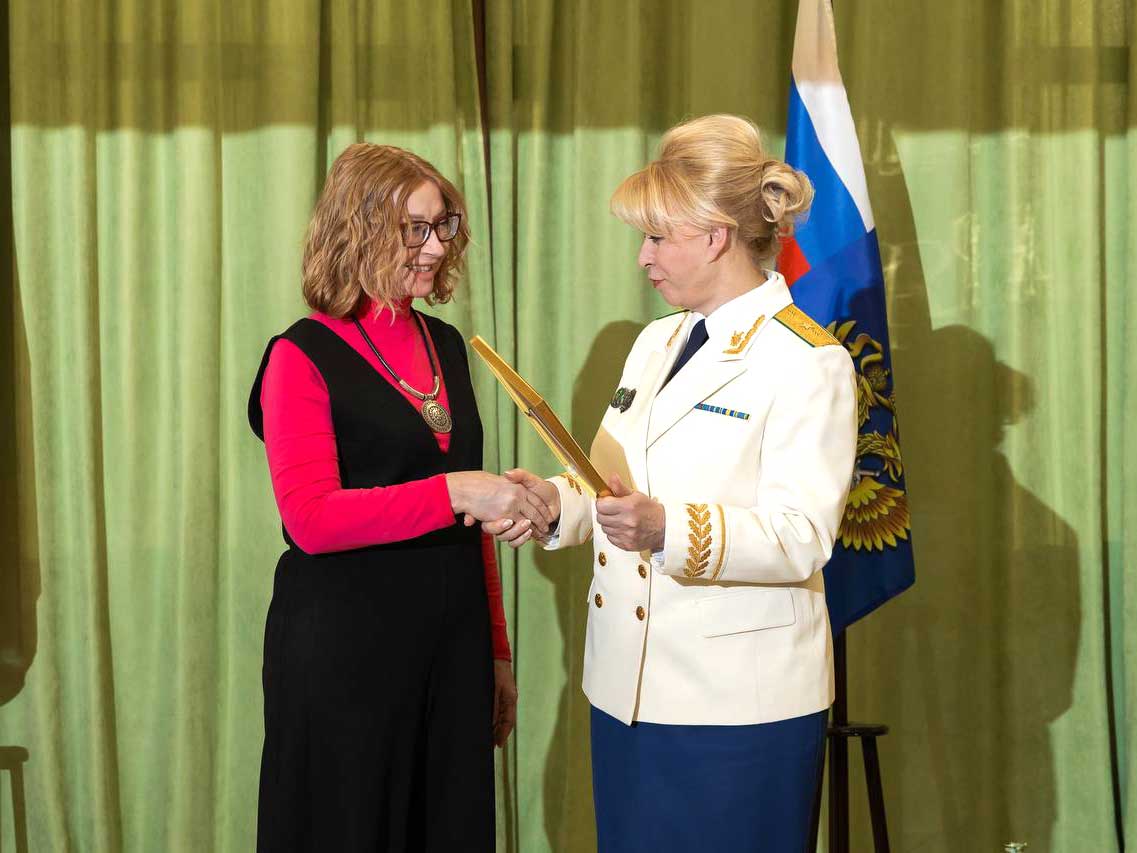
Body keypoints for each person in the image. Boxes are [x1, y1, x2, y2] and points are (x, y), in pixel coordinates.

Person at [489, 115, 858, 852]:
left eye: (657, 237)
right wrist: (555, 503)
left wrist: (667, 528)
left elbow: (802, 535)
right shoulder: (656, 340)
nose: (643, 257)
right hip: (626, 687)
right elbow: (611, 480)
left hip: (736, 706)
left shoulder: (807, 360)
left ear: (715, 235)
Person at [248, 143, 553, 851]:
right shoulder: (299, 354)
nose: (435, 247)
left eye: (442, 225)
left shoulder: (446, 344)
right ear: (355, 231)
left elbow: (471, 518)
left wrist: (496, 651)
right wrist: (453, 489)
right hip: (344, 654)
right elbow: (311, 519)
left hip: (453, 649)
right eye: (413, 229)